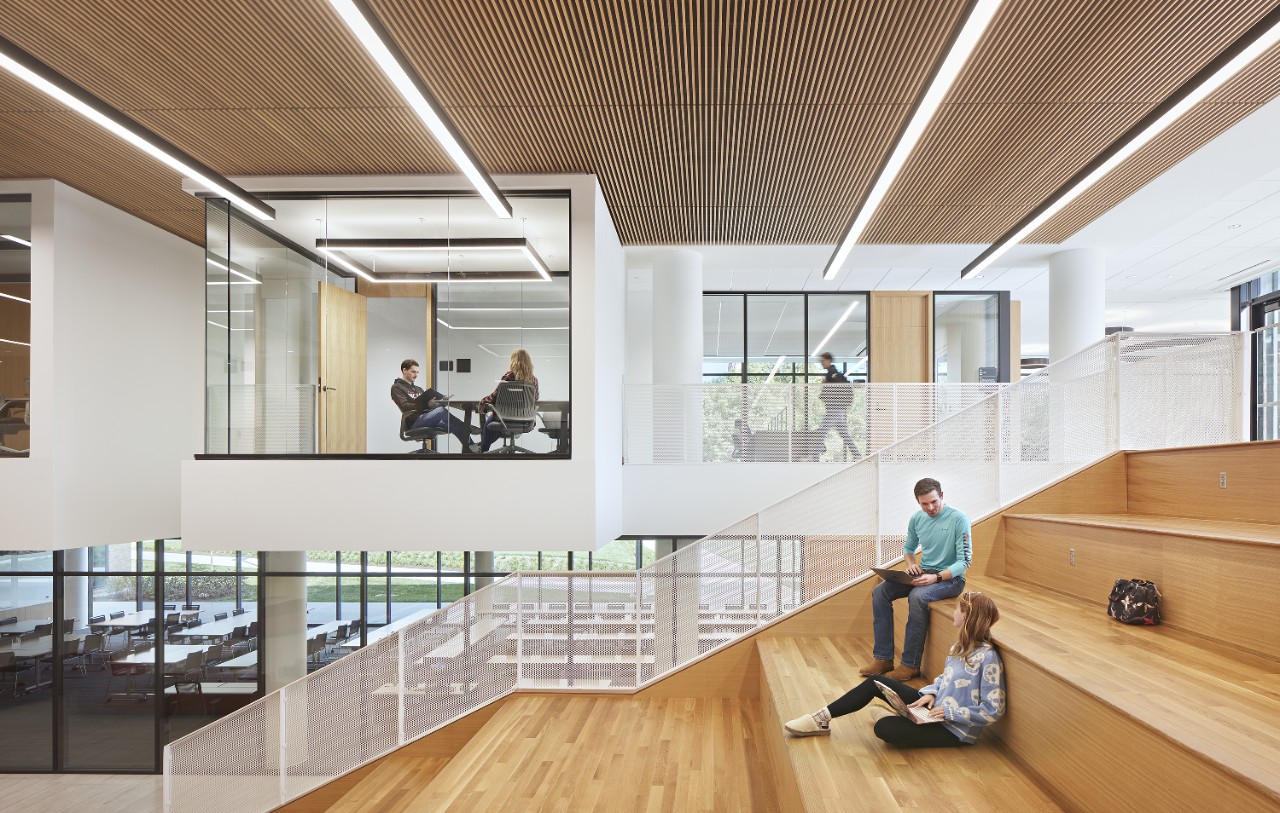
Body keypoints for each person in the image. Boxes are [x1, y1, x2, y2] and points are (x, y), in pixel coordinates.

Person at [784, 592, 1004, 748]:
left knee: (884, 728)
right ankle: (820, 718)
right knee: (875, 682)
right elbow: (944, 679)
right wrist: (932, 693)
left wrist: (950, 713)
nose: (953, 612)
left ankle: (899, 717)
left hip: (953, 730)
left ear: (965, 616)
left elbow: (994, 709)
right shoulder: (958, 647)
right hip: (933, 709)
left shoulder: (988, 658)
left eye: (957, 609)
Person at [860, 477, 971, 680]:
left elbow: (964, 562)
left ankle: (910, 665)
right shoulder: (916, 519)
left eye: (934, 502)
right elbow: (908, 549)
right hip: (924, 572)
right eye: (924, 504)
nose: (930, 507)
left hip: (950, 579)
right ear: (918, 502)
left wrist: (935, 577)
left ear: (942, 496)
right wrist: (911, 565)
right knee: (880, 592)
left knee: (918, 596)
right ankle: (883, 658)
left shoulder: (959, 519)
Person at [390, 359, 477, 453]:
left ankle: (471, 449)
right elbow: (405, 406)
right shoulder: (397, 387)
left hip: (427, 417)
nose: (416, 375)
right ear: (404, 370)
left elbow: (425, 405)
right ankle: (467, 427)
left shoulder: (418, 389)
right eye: (413, 372)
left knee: (454, 425)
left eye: (417, 372)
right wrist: (427, 404)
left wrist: (439, 402)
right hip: (413, 422)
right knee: (441, 411)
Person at [478, 348, 539, 452]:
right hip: (525, 419)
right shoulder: (533, 380)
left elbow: (495, 396)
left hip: (505, 418)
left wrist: (483, 401)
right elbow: (535, 398)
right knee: (497, 421)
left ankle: (482, 450)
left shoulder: (509, 375)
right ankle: (482, 447)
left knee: (490, 422)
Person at [816, 352, 860, 460]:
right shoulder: (831, 373)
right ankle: (857, 456)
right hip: (838, 409)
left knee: (821, 432)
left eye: (822, 361)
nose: (821, 363)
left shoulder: (832, 372)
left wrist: (826, 383)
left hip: (834, 409)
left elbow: (835, 386)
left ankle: (813, 456)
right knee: (844, 434)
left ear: (828, 360)